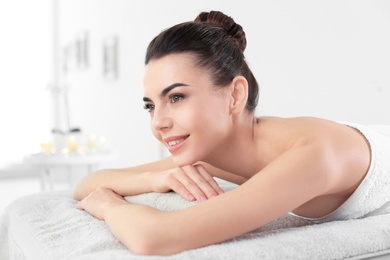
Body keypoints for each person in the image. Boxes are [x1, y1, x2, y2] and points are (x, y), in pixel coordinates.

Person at [74, 10, 390, 256]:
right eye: (150, 106)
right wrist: (155, 178)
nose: (158, 122)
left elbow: (155, 238)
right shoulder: (212, 152)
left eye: (176, 97)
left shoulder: (314, 154)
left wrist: (110, 206)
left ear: (235, 95)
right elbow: (88, 184)